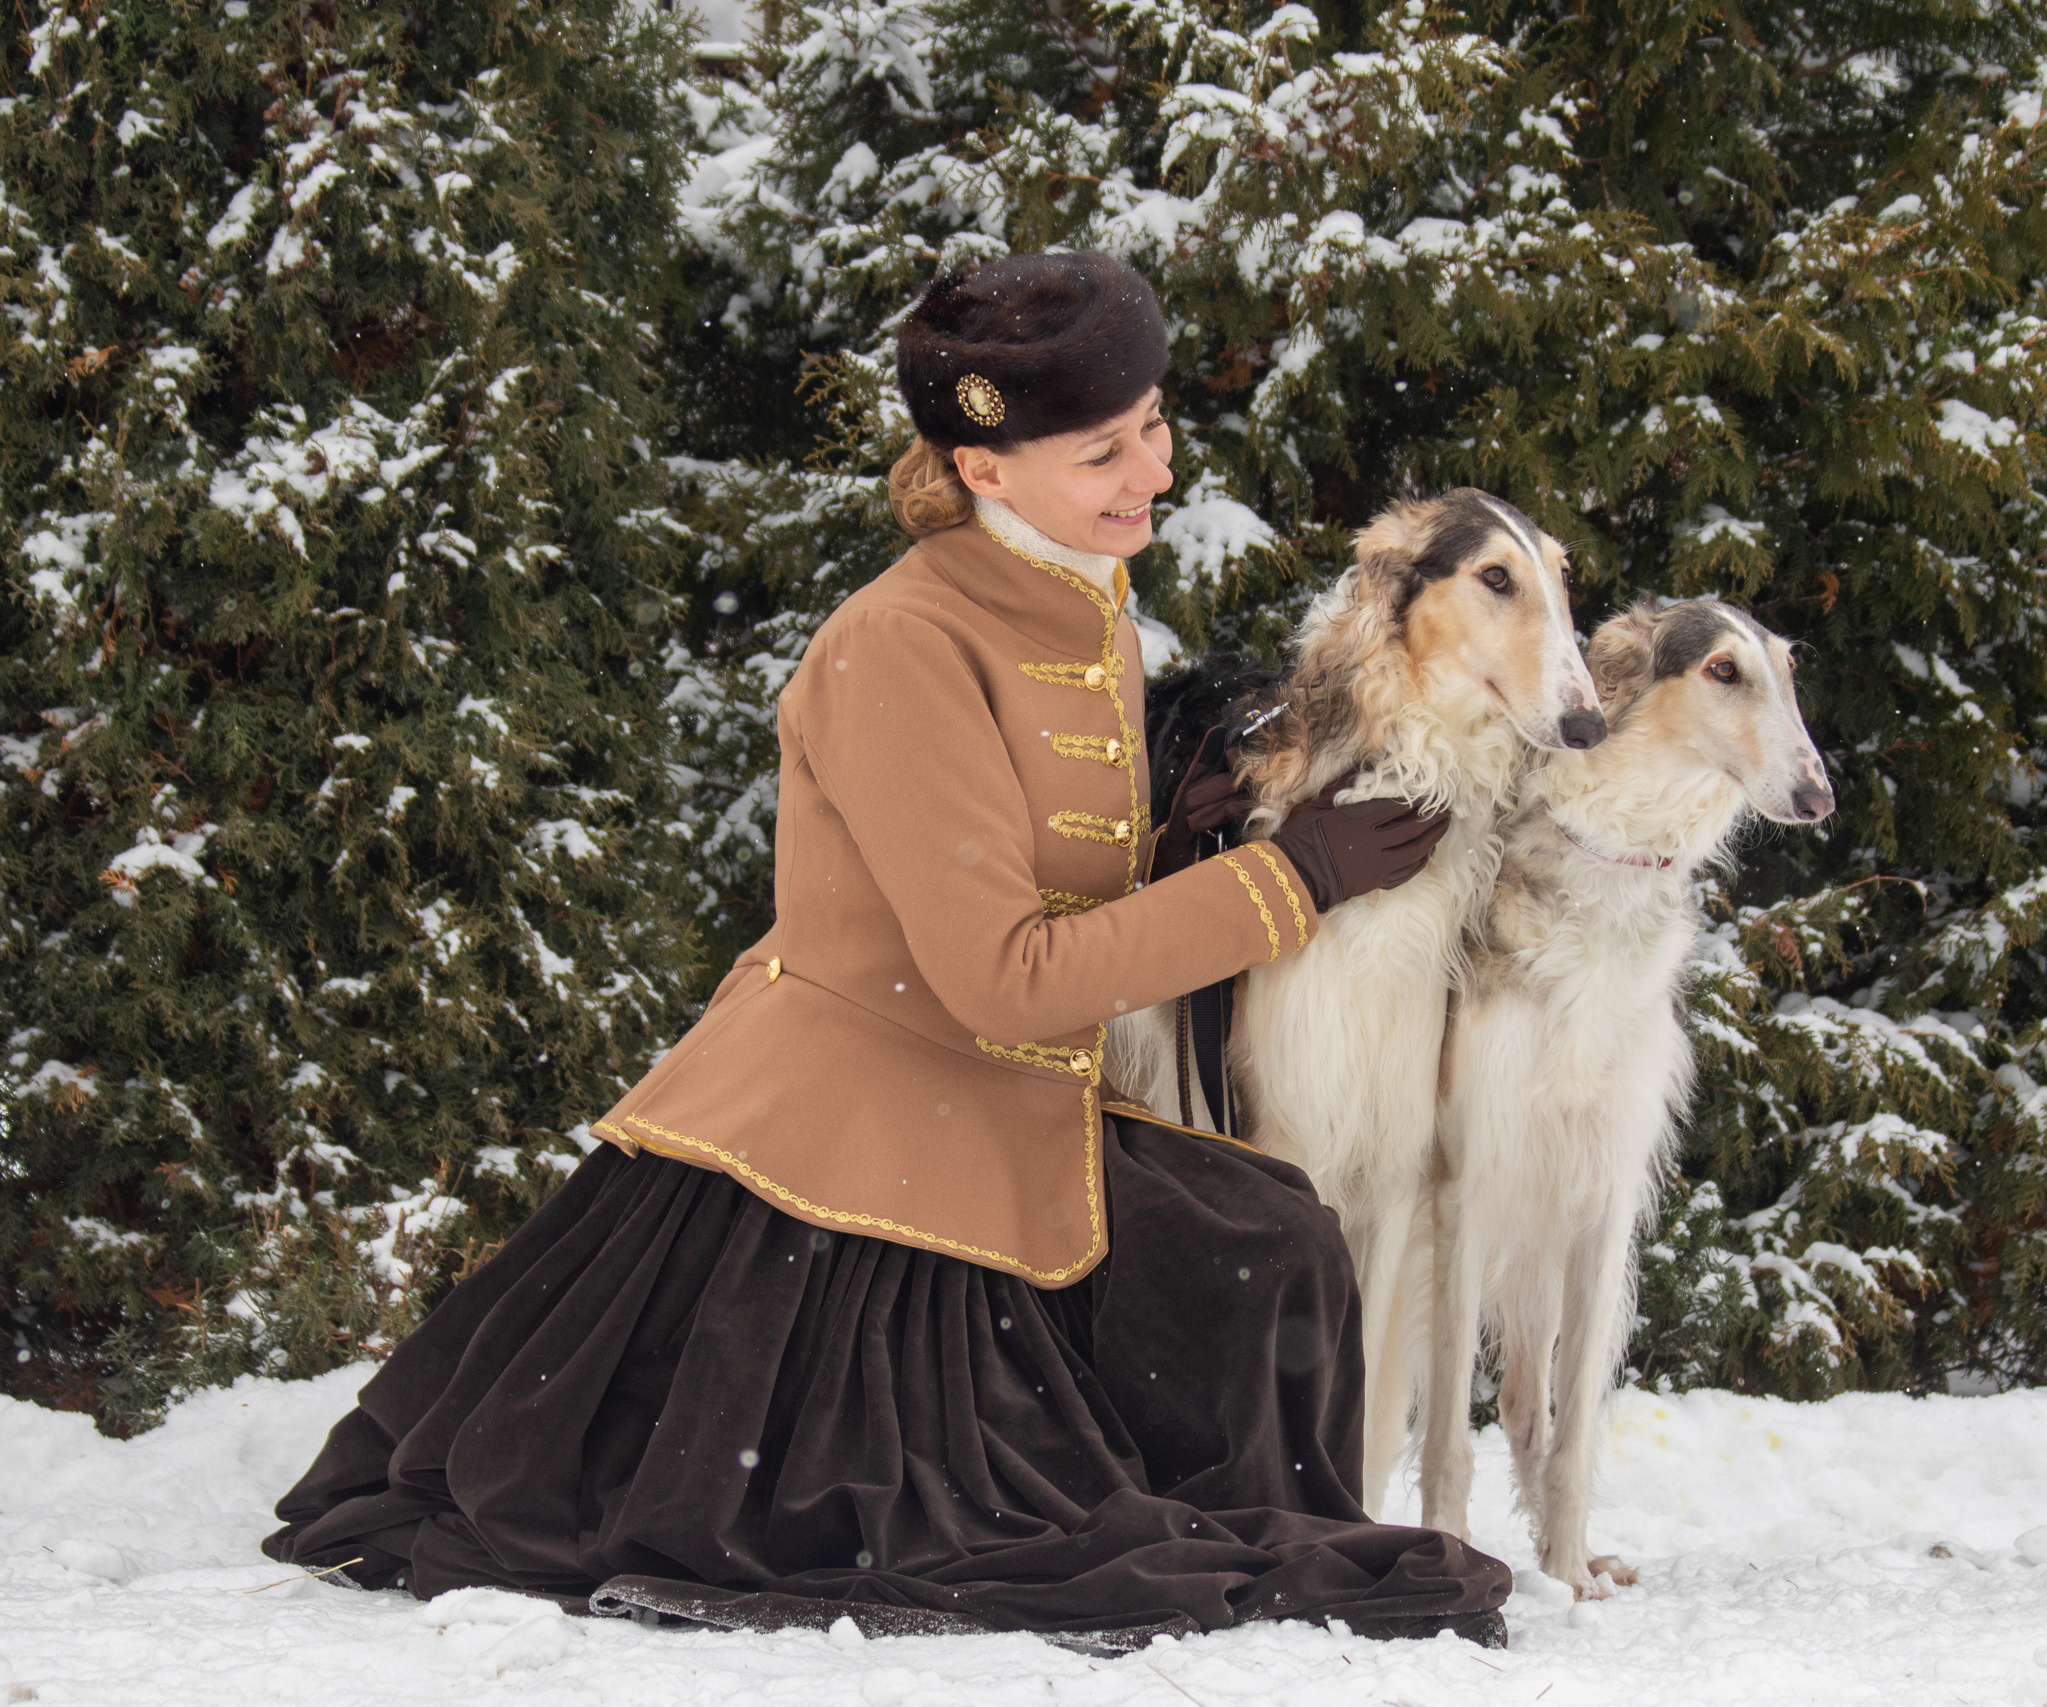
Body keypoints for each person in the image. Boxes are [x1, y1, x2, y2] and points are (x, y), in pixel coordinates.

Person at [261, 251, 1510, 1650]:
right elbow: (999, 976)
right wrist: (1288, 885)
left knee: (1267, 1239)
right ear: (983, 469)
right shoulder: (901, 645)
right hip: (855, 1133)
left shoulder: (1077, 590)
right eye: (1102, 449)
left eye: (1153, 423)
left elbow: (1023, 864)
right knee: (980, 1497)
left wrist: (1182, 844)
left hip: (993, 1095)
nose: (1150, 468)